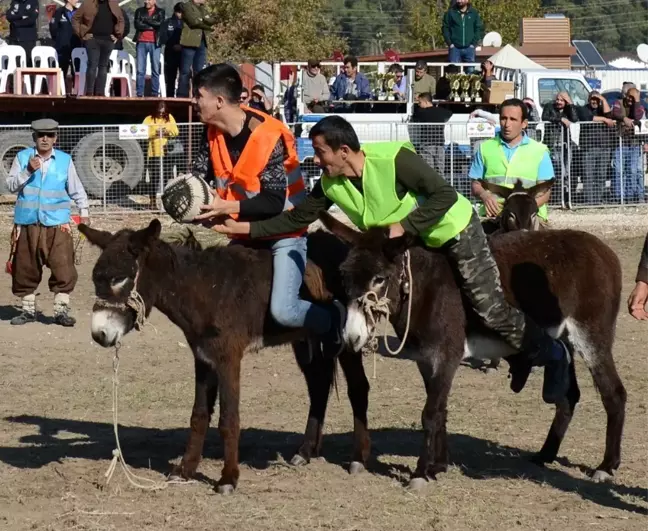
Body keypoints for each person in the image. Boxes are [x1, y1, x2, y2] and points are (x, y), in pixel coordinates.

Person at [208, 114, 573, 405]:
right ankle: (511, 353)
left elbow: (444, 195)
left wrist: (405, 225)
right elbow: (294, 219)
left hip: (455, 231)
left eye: (320, 153)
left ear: (344, 151)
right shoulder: (331, 184)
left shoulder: (393, 160)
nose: (315, 159)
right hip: (414, 246)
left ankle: (550, 354)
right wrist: (238, 228)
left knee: (488, 305)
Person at [177, 63, 345, 358]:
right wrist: (181, 196)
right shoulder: (212, 132)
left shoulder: (269, 135)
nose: (193, 101)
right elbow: (198, 177)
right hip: (243, 231)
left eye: (197, 95)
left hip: (284, 229)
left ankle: (333, 317)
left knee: (284, 310)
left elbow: (273, 201)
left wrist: (226, 206)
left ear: (218, 101)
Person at [5, 119, 90, 327]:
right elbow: (10, 186)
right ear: (34, 137)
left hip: (58, 225)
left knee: (64, 267)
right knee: (25, 267)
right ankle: (27, 311)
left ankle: (61, 312)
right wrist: (27, 171)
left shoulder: (64, 160)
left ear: (55, 138)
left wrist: (84, 212)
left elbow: (76, 188)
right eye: (41, 134)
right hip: (27, 223)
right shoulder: (22, 157)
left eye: (50, 135)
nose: (45, 138)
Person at [470, 98, 554, 227]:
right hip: (492, 217)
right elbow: (476, 184)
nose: (507, 124)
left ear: (524, 123)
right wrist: (485, 196)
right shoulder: (484, 148)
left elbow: (545, 192)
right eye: (503, 118)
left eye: (513, 119)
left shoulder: (540, 151)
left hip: (531, 218)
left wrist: (524, 209)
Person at [72, 0, 125, 96]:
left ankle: (100, 93)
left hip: (108, 40)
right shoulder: (87, 3)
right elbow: (75, 18)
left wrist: (118, 35)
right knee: (92, 64)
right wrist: (81, 34)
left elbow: (121, 20)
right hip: (92, 40)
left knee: (103, 66)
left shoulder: (113, 3)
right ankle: (89, 92)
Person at [176, 0, 216, 98]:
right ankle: (182, 95)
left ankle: (197, 94)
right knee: (185, 70)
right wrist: (205, 22)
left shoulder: (203, 8)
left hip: (202, 42)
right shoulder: (186, 6)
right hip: (190, 42)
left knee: (199, 71)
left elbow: (212, 20)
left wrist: (201, 20)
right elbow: (193, 21)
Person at [143, 101, 179, 208]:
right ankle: (152, 202)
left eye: (163, 113)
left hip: (167, 153)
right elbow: (142, 132)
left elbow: (176, 131)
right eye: (159, 112)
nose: (161, 114)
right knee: (154, 178)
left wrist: (167, 133)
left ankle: (165, 202)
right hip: (154, 153)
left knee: (167, 178)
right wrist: (155, 133)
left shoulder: (169, 118)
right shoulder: (148, 119)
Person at [134, 0, 165, 97]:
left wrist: (146, 21)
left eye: (149, 0)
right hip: (141, 42)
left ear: (154, 1)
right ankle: (139, 93)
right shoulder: (139, 11)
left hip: (155, 43)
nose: (146, 1)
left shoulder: (160, 11)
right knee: (140, 70)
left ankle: (155, 93)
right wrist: (152, 24)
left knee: (155, 69)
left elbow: (160, 24)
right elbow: (137, 25)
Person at [49, 0, 82, 91]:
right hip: (62, 47)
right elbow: (53, 28)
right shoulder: (59, 12)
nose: (77, 0)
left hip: (76, 45)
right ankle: (60, 91)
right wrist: (59, 39)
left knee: (77, 71)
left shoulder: (79, 12)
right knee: (61, 70)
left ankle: (77, 91)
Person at [442, 0, 484, 68]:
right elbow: (445, 28)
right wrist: (450, 43)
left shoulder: (473, 13)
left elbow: (478, 28)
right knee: (453, 72)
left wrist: (473, 44)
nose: (459, 1)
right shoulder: (450, 13)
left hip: (469, 48)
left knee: (470, 72)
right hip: (455, 48)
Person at [5, 0, 38, 67]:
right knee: (14, 64)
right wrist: (21, 16)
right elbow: (9, 16)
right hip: (14, 39)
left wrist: (16, 22)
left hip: (28, 40)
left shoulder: (33, 2)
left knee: (27, 63)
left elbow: (31, 20)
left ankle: (29, 77)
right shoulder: (14, 2)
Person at [162, 2, 183, 98]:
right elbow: (163, 37)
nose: (180, 14)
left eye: (182, 12)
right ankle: (169, 97)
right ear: (175, 12)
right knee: (170, 77)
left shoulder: (187, 24)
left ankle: (182, 96)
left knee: (184, 76)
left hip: (183, 53)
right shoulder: (168, 22)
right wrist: (172, 45)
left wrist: (182, 46)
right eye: (178, 12)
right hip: (170, 53)